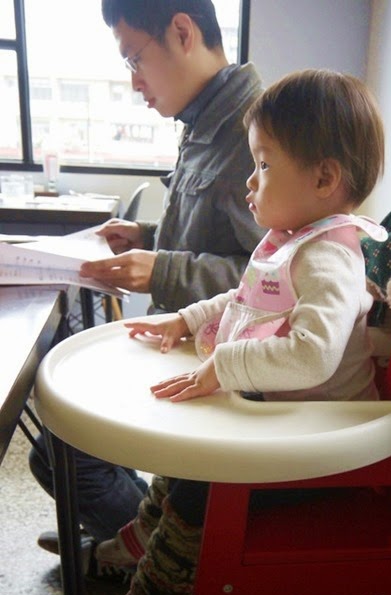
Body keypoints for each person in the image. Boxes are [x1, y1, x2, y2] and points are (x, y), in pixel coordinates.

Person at [69, 67, 387, 595]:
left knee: (203, 479)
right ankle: (146, 535)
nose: (250, 179)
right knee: (188, 450)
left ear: (324, 179)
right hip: (283, 421)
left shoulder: (330, 258)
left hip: (323, 446)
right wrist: (187, 320)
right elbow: (245, 299)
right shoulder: (290, 241)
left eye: (263, 164)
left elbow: (313, 354)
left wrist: (225, 363)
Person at [30, 0, 264, 562]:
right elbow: (216, 235)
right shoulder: (207, 120)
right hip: (179, 343)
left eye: (135, 58)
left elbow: (276, 278)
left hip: (214, 365)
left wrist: (161, 268)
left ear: (182, 32)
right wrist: (148, 236)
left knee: (61, 453)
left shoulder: (253, 129)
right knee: (61, 443)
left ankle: (150, 560)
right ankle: (138, 544)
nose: (135, 82)